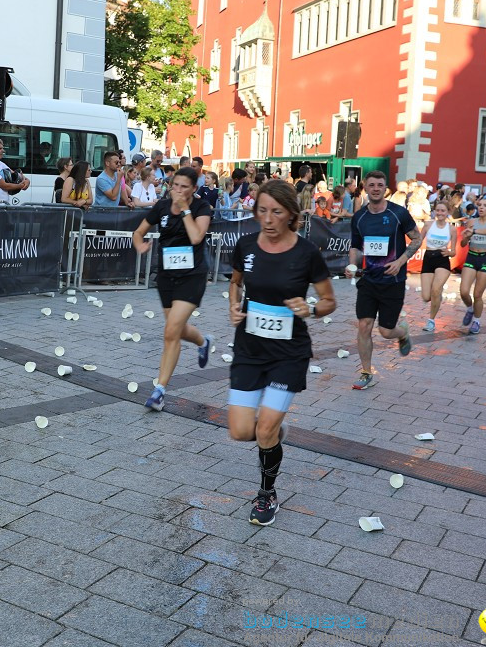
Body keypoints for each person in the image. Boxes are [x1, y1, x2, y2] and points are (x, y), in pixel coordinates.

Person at [226, 180, 336, 525]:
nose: (268, 219)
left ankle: (267, 494)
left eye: (276, 212)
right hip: (249, 348)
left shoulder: (306, 253)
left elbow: (330, 301)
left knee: (264, 429)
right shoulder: (246, 245)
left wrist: (311, 309)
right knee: (241, 432)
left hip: (289, 353)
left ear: (291, 214)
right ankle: (270, 436)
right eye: (262, 210)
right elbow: (235, 282)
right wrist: (233, 305)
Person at [131, 166, 214, 412]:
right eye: (174, 185)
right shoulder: (161, 206)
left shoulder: (201, 208)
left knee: (170, 331)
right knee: (175, 328)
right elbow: (138, 231)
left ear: (193, 189)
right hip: (167, 275)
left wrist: (185, 208)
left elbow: (197, 236)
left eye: (183, 187)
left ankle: (160, 391)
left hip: (193, 275)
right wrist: (139, 244)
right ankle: (203, 341)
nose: (177, 190)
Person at [344, 170, 421, 389]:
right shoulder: (360, 217)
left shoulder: (398, 213)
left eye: (380, 185)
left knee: (386, 332)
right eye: (372, 185)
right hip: (368, 281)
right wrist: (352, 265)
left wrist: (400, 261)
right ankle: (366, 372)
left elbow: (416, 238)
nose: (376, 188)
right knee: (364, 326)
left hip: (393, 281)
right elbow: (356, 246)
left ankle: (402, 332)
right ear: (365, 187)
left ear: (385, 188)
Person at [458, 196, 486, 335]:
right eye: (480, 205)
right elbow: (463, 244)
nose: (481, 208)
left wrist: (474, 232)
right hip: (472, 257)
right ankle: (470, 309)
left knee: (477, 294)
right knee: (464, 291)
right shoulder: (471, 221)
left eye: (485, 205)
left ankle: (477, 321)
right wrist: (467, 236)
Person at [419, 200, 457, 332]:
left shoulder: (451, 229)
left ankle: (431, 321)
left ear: (448, 213)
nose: (440, 213)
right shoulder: (428, 225)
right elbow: (418, 241)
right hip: (428, 258)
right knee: (426, 296)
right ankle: (437, 296)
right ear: (434, 211)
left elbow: (453, 252)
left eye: (443, 211)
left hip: (442, 259)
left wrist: (449, 252)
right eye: (438, 210)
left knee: (435, 289)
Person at [0, 137, 29, 202]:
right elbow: (5, 186)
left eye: (3, 148)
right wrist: (22, 185)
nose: (3, 151)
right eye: (0, 148)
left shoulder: (0, 163)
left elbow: (15, 174)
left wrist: (27, 180)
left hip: (3, 203)